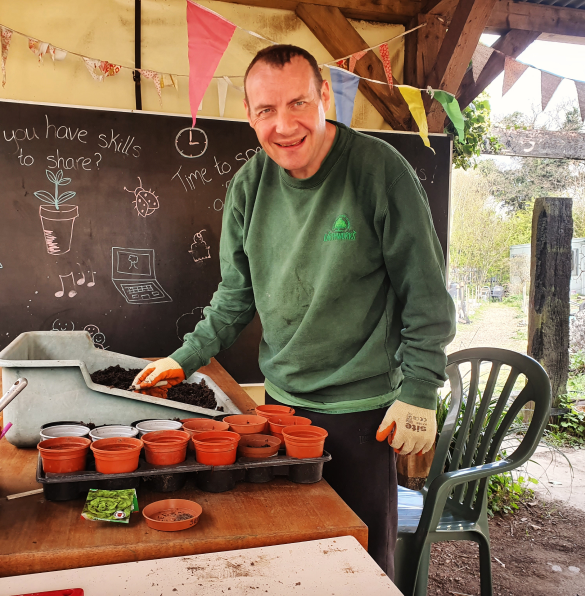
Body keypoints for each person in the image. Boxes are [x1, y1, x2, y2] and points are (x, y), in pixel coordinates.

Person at [133, 44, 456, 577]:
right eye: (265, 110)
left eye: (298, 104)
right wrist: (183, 358)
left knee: (361, 566)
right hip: (280, 411)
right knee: (292, 560)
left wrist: (420, 389)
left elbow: (426, 296)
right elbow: (235, 298)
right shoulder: (248, 187)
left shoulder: (380, 172)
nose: (283, 125)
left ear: (325, 96)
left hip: (363, 414)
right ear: (249, 115)